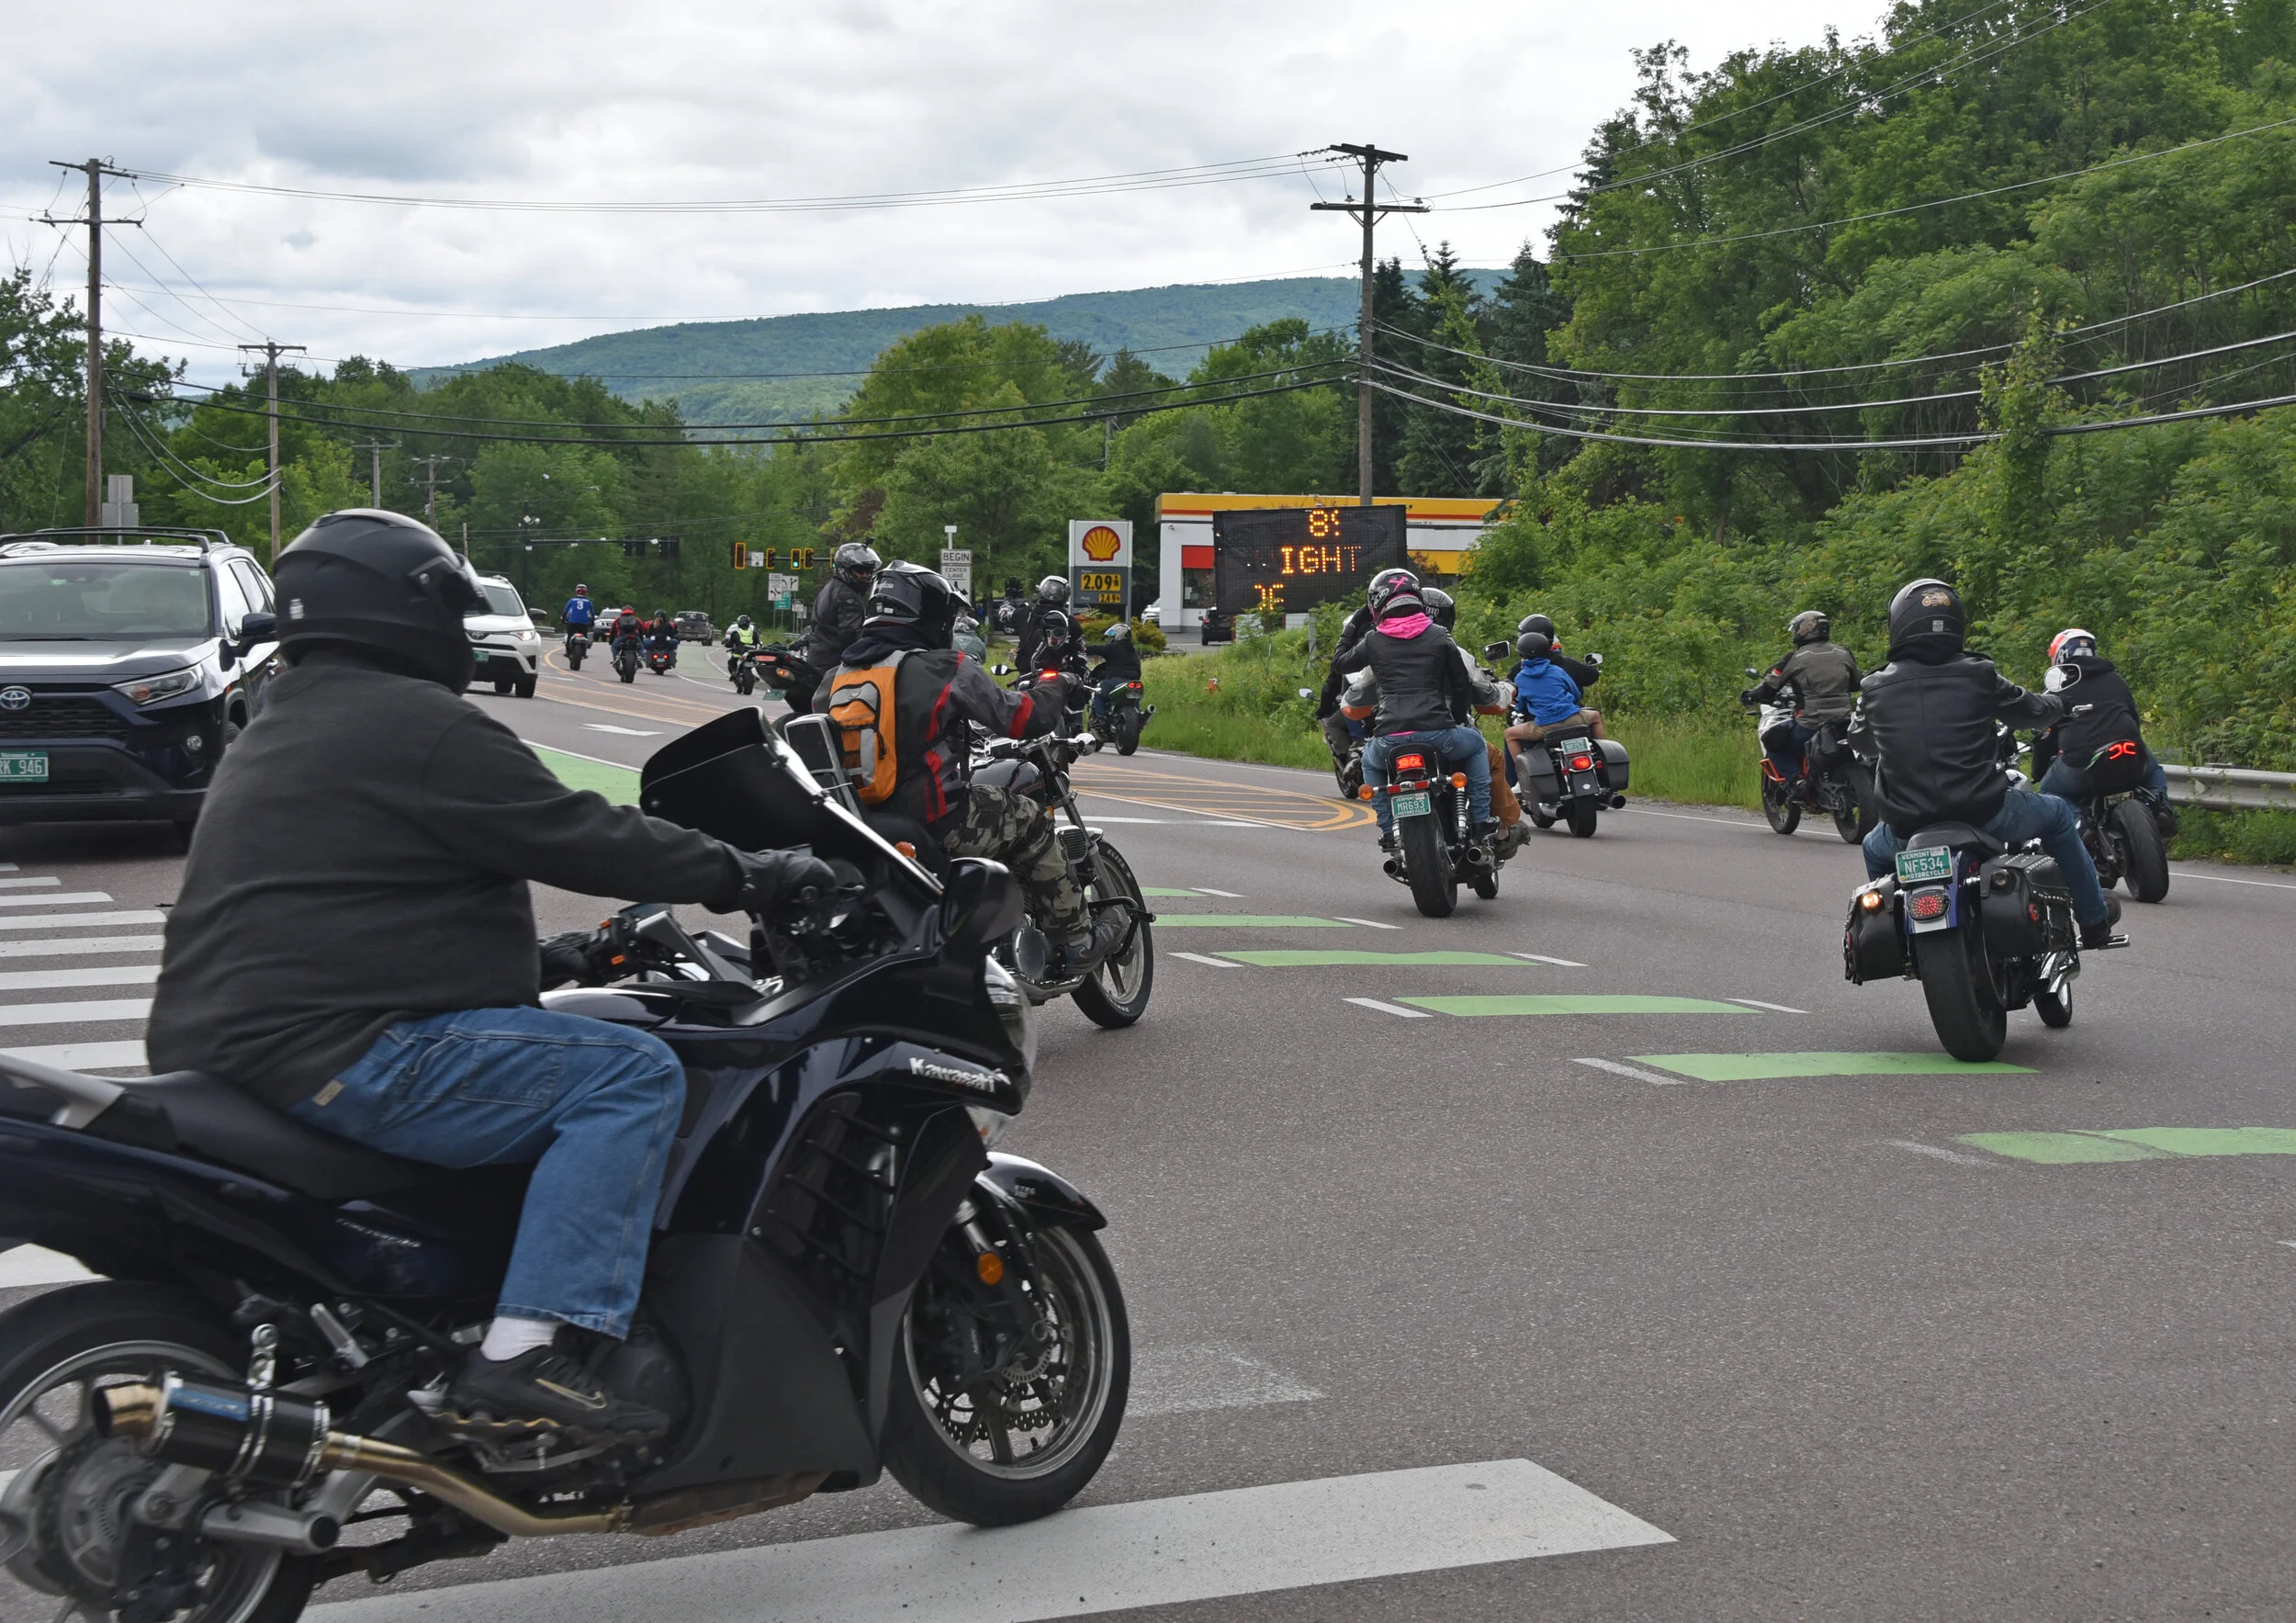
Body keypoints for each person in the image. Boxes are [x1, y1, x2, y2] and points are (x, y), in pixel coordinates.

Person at [146, 510, 830, 1439]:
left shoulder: (283, 718)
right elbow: (580, 833)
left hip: (239, 1038)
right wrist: (748, 873)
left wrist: (552, 960)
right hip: (339, 1048)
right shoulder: (417, 723)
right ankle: (522, 1356)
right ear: (407, 611)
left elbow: (354, 904)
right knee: (628, 1078)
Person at [827, 563, 1128, 974]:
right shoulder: (942, 668)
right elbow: (1025, 718)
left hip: (861, 827)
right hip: (937, 822)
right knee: (1030, 819)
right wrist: (1058, 682)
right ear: (929, 615)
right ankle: (1076, 940)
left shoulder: (834, 679)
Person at [1853, 579, 2122, 950]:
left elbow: (1861, 741)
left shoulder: (1874, 688)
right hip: (1984, 812)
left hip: (1905, 825)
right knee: (2059, 814)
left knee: (1872, 847)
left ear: (1899, 623)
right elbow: (2031, 710)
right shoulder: (1978, 673)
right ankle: (2094, 922)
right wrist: (2058, 706)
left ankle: (1902, 936)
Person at [1332, 570, 1497, 851]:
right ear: (1417, 598)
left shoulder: (1373, 640)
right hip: (1438, 734)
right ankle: (1481, 820)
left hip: (1389, 740)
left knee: (1369, 762)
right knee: (1477, 746)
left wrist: (1357, 621)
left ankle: (1387, 829)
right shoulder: (1439, 635)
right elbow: (1461, 686)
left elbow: (1341, 663)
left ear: (1377, 606)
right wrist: (1455, 721)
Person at [2030, 627, 2176, 837]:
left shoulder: (2055, 690)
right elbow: (2132, 715)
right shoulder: (2115, 679)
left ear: (2061, 654)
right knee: (2153, 770)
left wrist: (2038, 772)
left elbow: (2045, 739)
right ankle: (2160, 807)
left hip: (2082, 760)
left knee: (2050, 791)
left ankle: (2079, 824)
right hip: (2127, 747)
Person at [1741, 610, 1862, 789]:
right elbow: (1857, 683)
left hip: (1811, 723)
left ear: (1805, 630)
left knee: (1773, 744)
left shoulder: (1796, 658)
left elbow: (1770, 685)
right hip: (1844, 722)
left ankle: (1796, 781)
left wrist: (1751, 695)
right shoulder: (1843, 652)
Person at [791, 541, 880, 714]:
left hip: (819, 660)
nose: (866, 575)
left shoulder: (831, 588)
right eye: (860, 570)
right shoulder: (847, 596)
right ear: (844, 569)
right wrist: (876, 647)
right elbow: (852, 636)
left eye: (869, 570)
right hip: (833, 664)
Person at [1503, 630, 1604, 749]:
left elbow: (1521, 704)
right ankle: (1602, 752)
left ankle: (1519, 767)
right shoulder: (1556, 670)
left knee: (1509, 734)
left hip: (1544, 725)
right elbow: (1575, 692)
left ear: (1522, 655)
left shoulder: (1520, 677)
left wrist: (1519, 709)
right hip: (1572, 718)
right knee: (1596, 716)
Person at [1086, 621, 1143, 728]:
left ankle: (1101, 718)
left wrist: (1082, 648)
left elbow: (1096, 649)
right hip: (1132, 682)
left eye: (1112, 636)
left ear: (1119, 634)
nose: (1110, 639)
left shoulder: (1114, 647)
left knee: (1099, 693)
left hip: (1116, 681)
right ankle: (1139, 714)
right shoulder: (1132, 650)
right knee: (1134, 699)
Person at [1017, 576, 1078, 669]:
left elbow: (1005, 615)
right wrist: (1083, 672)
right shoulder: (1071, 621)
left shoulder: (1026, 614)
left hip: (1028, 670)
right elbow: (1079, 650)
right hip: (1060, 672)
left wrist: (1009, 599)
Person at [560, 584, 596, 652]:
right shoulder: (588, 602)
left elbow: (565, 611)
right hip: (583, 623)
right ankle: (584, 652)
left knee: (570, 636)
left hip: (572, 622)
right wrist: (592, 621)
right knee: (584, 637)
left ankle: (568, 652)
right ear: (586, 592)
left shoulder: (572, 600)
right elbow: (592, 613)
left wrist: (563, 620)